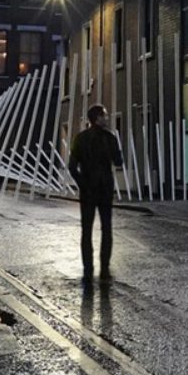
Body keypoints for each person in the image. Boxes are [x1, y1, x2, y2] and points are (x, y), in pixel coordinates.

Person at [68, 104, 123, 283]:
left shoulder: (80, 138)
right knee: (106, 228)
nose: (106, 118)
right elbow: (118, 161)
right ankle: (104, 268)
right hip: (105, 189)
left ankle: (88, 268)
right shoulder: (110, 138)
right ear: (98, 118)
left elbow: (72, 167)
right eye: (104, 115)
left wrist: (82, 184)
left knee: (87, 230)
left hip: (88, 190)